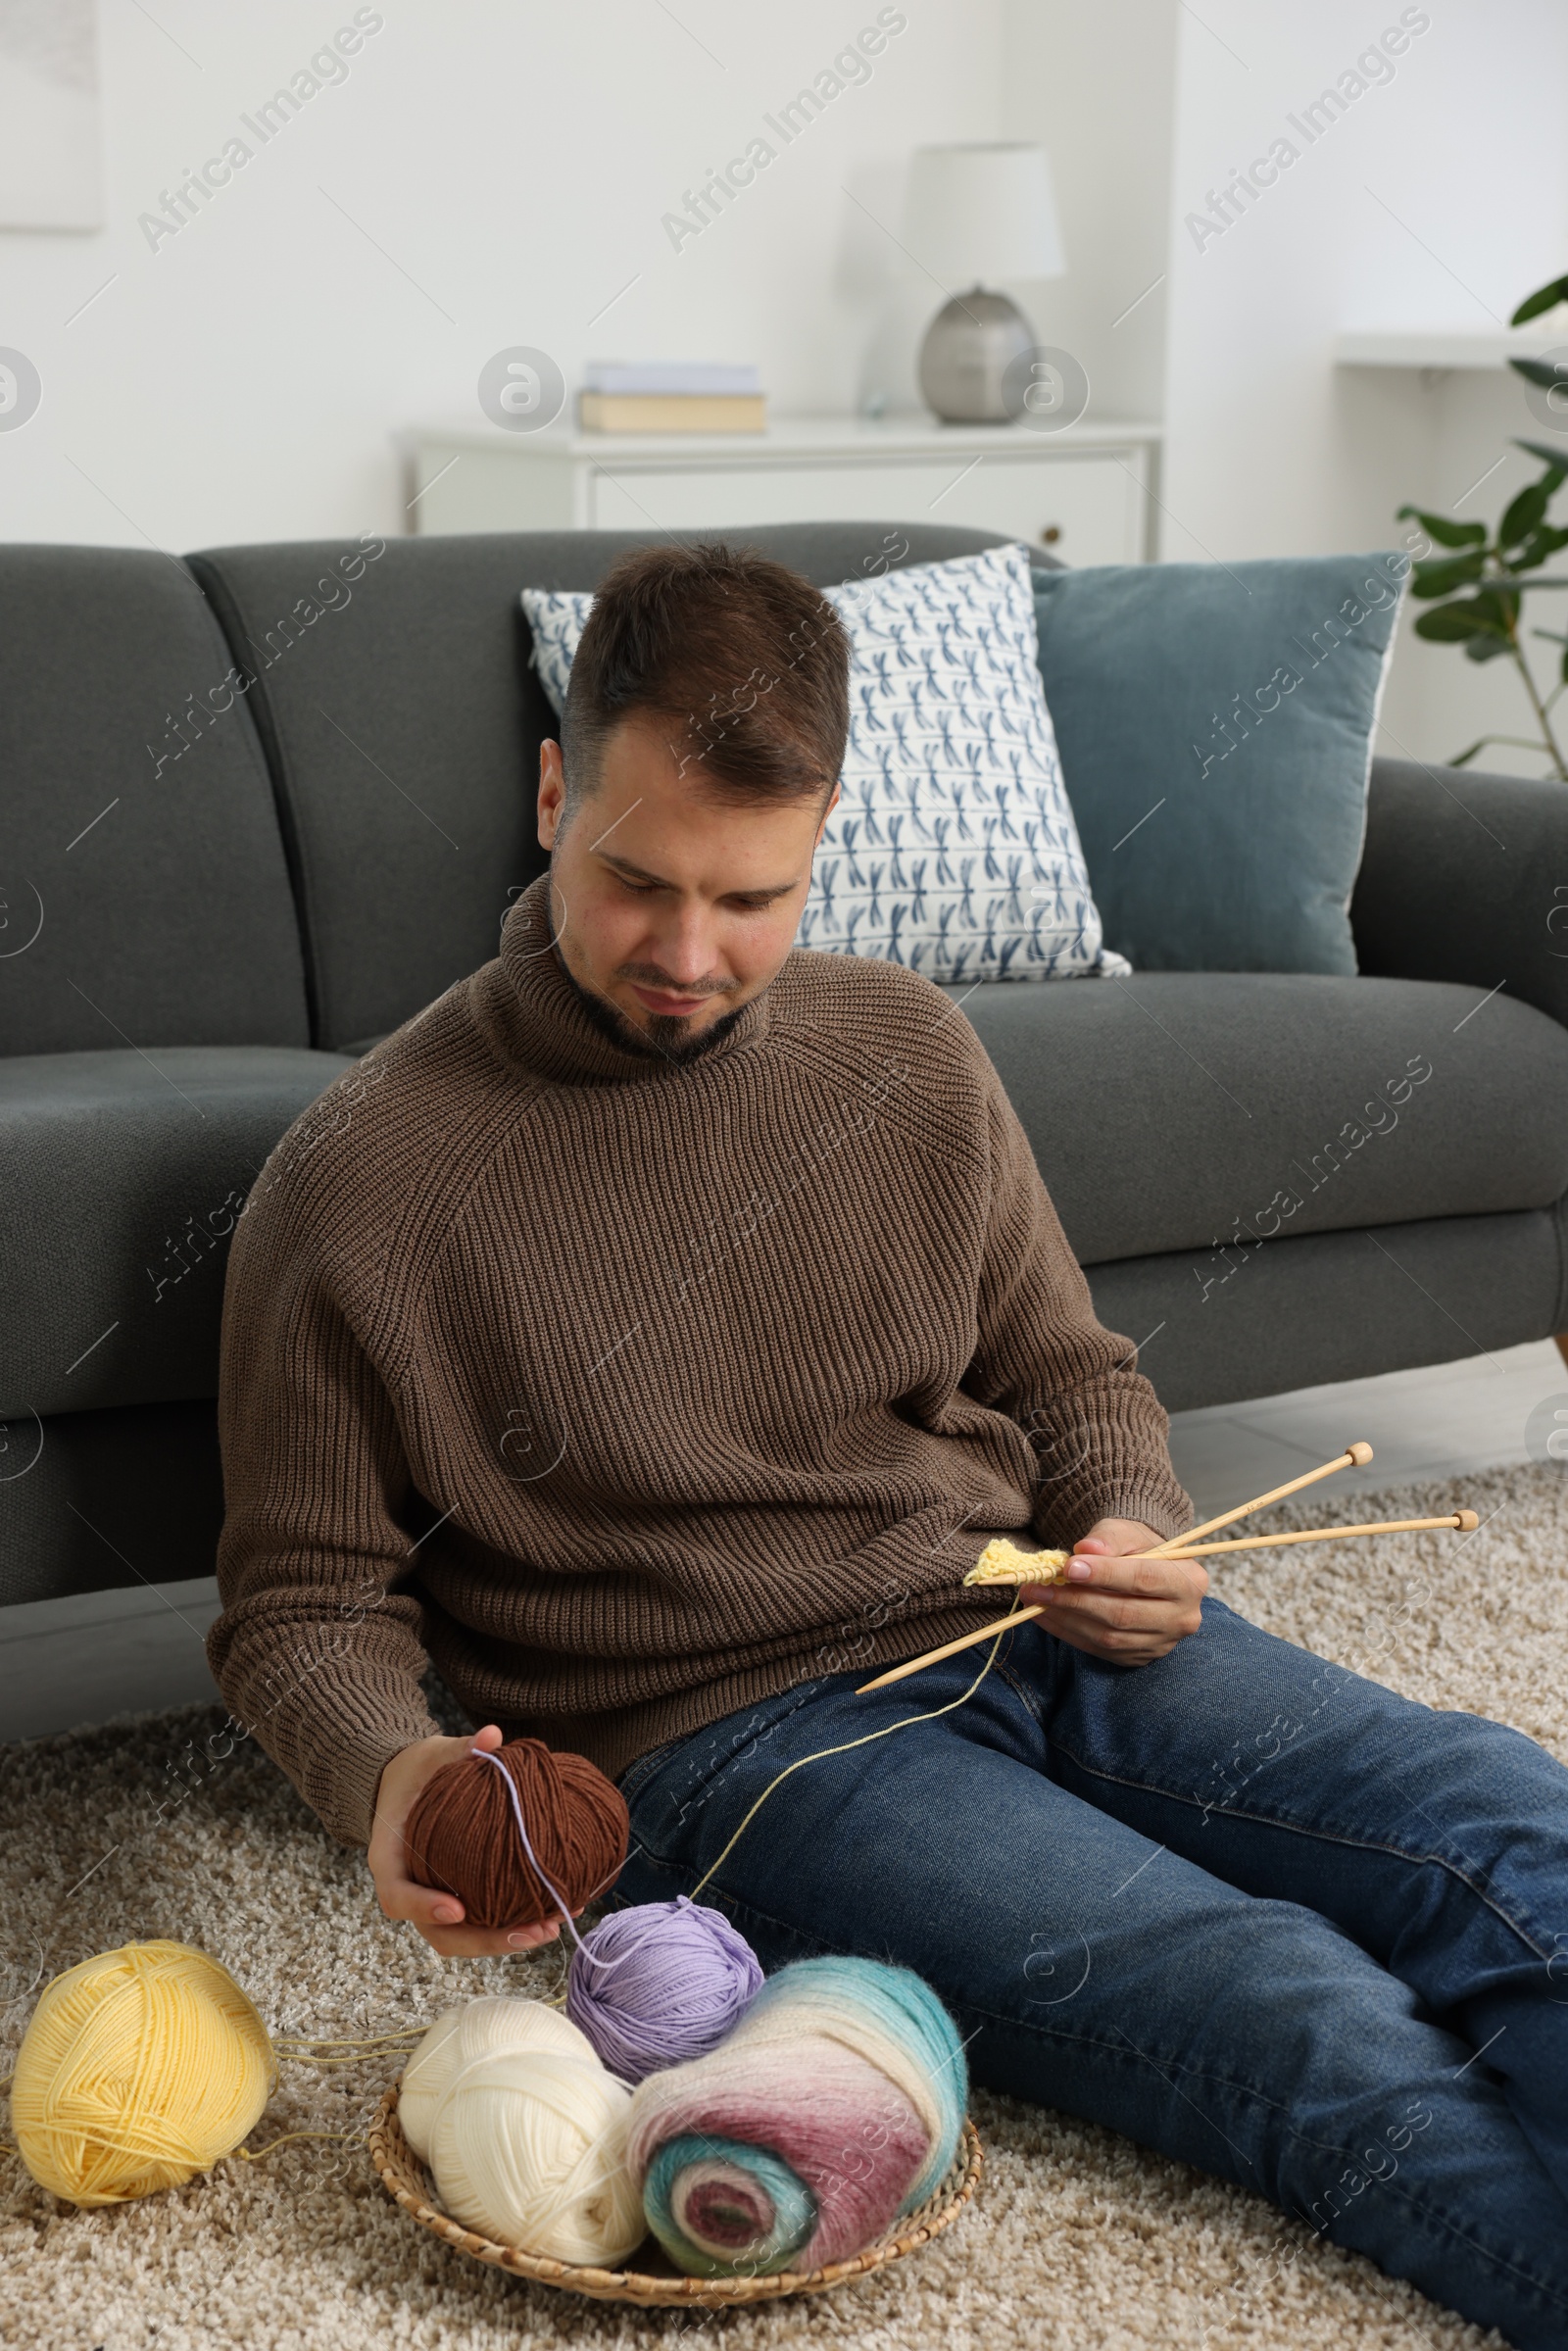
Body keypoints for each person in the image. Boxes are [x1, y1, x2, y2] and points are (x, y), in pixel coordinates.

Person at [209, 543, 1568, 2350]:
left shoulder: (906, 1055)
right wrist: (389, 1778)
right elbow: (300, 1602)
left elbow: (1069, 1373)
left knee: (1503, 1825)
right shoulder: (359, 1176)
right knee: (1280, 2002)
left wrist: (1134, 1522)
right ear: (552, 793)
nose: (690, 955)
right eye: (637, 881)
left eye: (753, 898)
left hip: (1024, 1614)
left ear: (827, 833)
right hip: (735, 1752)